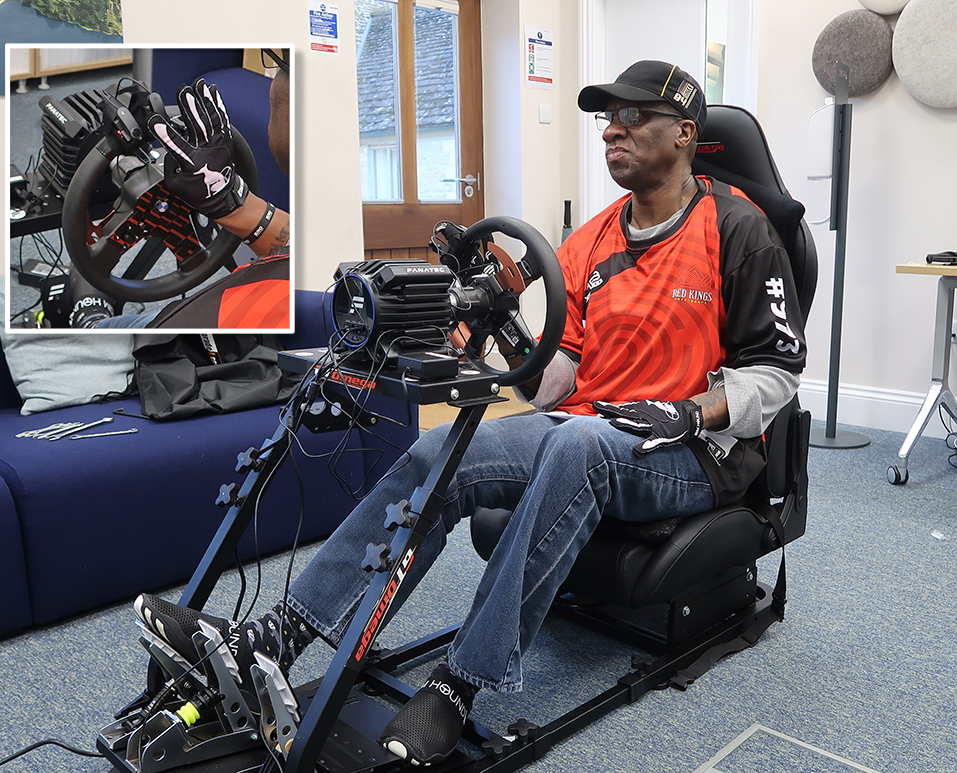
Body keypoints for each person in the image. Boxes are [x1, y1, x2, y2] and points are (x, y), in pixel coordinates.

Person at [133, 60, 807, 765]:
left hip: (695, 452)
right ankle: (275, 637)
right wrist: (495, 339)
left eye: (634, 116)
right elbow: (559, 374)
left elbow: (777, 372)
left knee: (579, 447)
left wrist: (689, 412)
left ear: (685, 134)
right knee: (440, 454)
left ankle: (460, 683)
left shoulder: (739, 230)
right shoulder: (592, 240)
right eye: (608, 116)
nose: (613, 128)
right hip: (588, 422)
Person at [73, 51, 292, 329]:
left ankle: (90, 321)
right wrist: (235, 205)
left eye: (282, 67)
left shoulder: (222, 313)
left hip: (235, 337)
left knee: (125, 329)